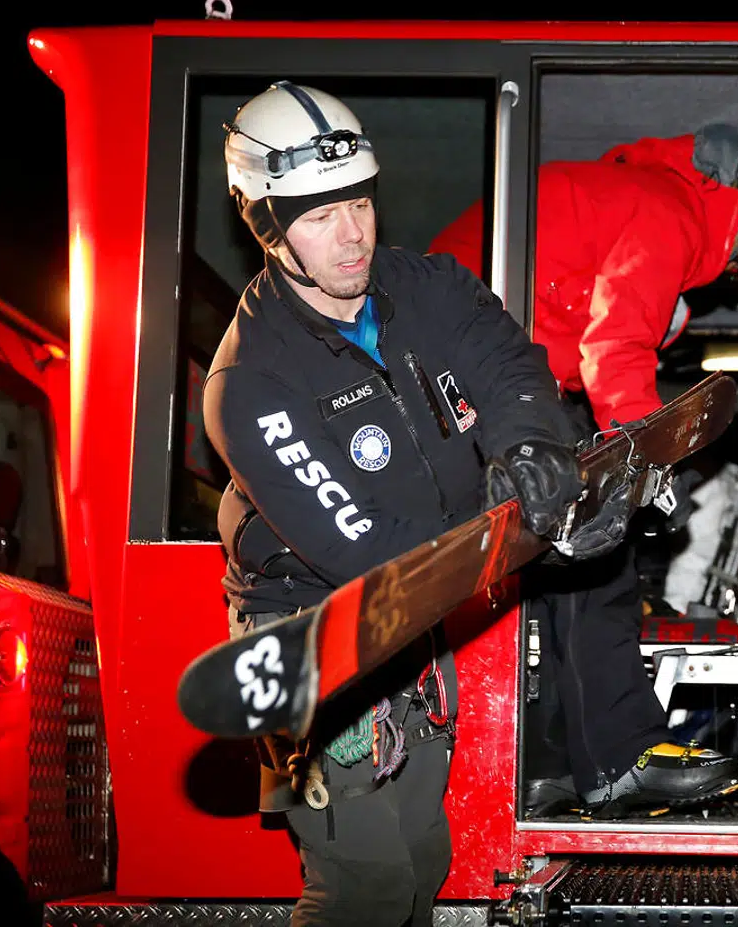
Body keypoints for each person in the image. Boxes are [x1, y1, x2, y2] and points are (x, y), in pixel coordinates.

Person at [205, 80, 597, 927]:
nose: (351, 234)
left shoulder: (423, 286)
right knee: (366, 888)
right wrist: (515, 532)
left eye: (358, 201)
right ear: (267, 227)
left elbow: (504, 360)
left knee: (423, 862)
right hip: (316, 632)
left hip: (418, 611)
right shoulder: (249, 383)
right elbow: (357, 544)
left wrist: (529, 445)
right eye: (317, 215)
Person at [428, 124, 738, 817]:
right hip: (488, 366)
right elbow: (616, 344)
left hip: (457, 363)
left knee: (546, 574)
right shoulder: (676, 209)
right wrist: (649, 459)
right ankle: (624, 755)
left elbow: (571, 326)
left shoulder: (629, 193)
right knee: (602, 558)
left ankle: (548, 765)